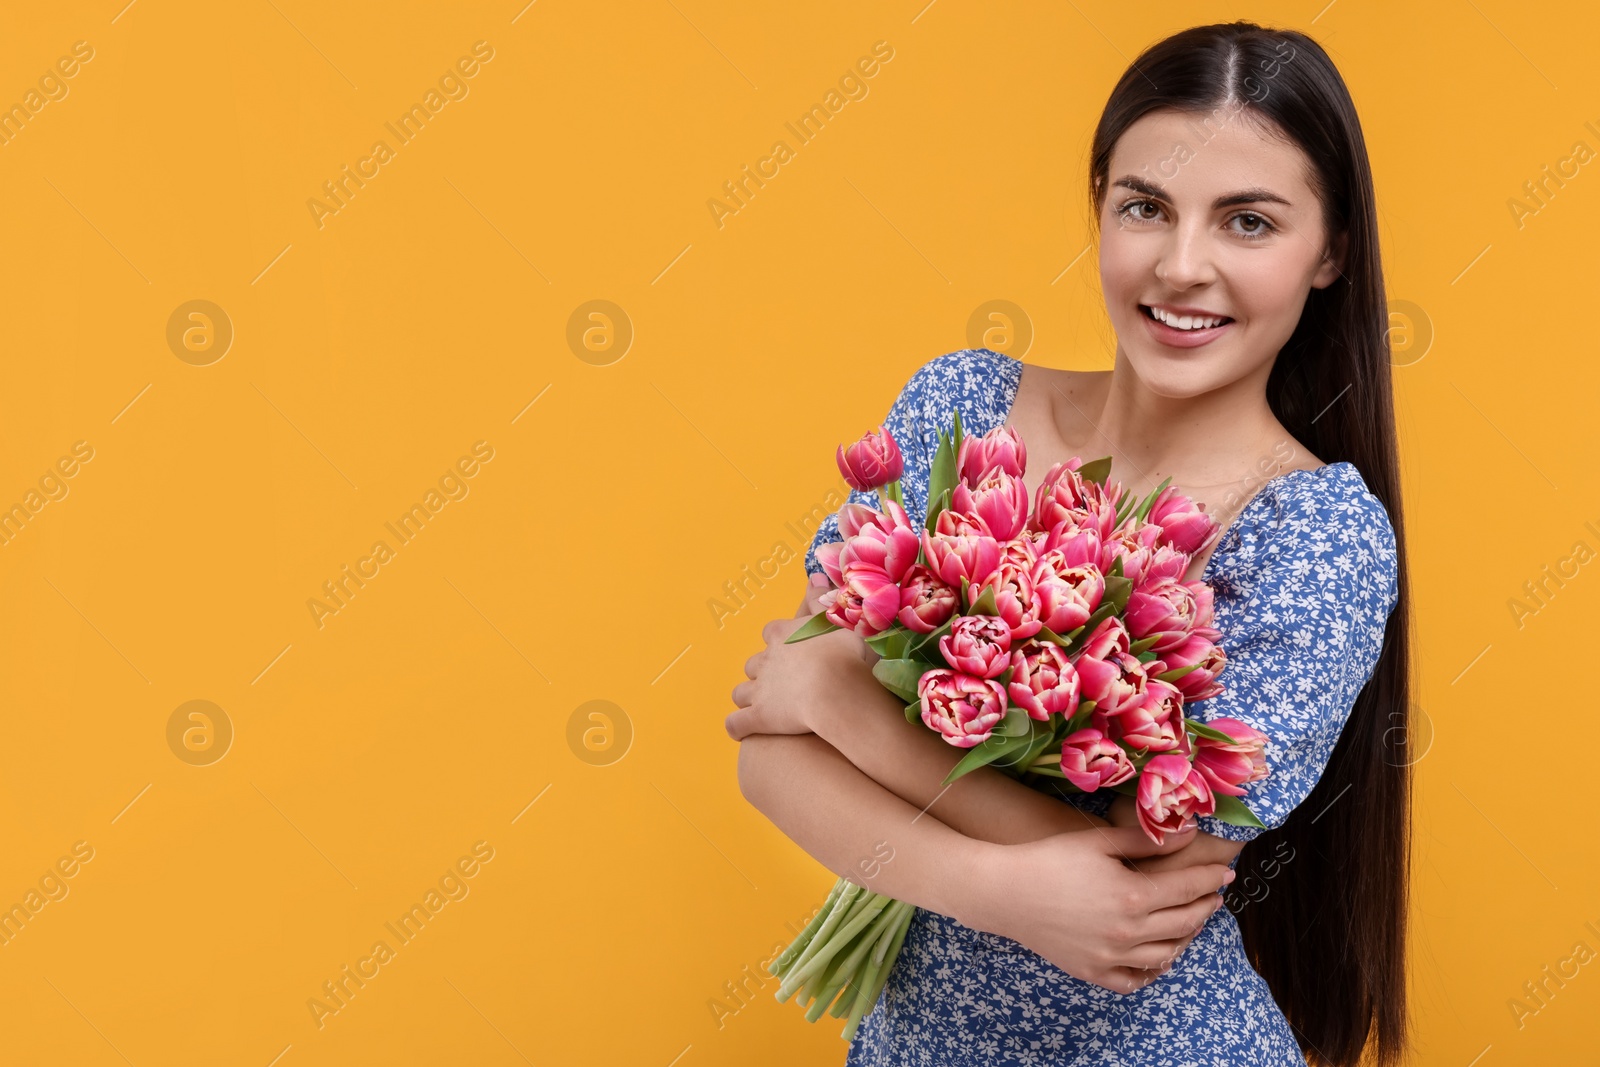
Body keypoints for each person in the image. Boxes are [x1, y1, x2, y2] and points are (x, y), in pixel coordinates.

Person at [726, 20, 1411, 1067]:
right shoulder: (963, 405)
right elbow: (769, 761)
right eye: (1145, 206)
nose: (1183, 267)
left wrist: (832, 698)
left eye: (1248, 222)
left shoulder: (1318, 533)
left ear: (1331, 253)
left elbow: (1154, 871)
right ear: (1099, 204)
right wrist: (998, 887)